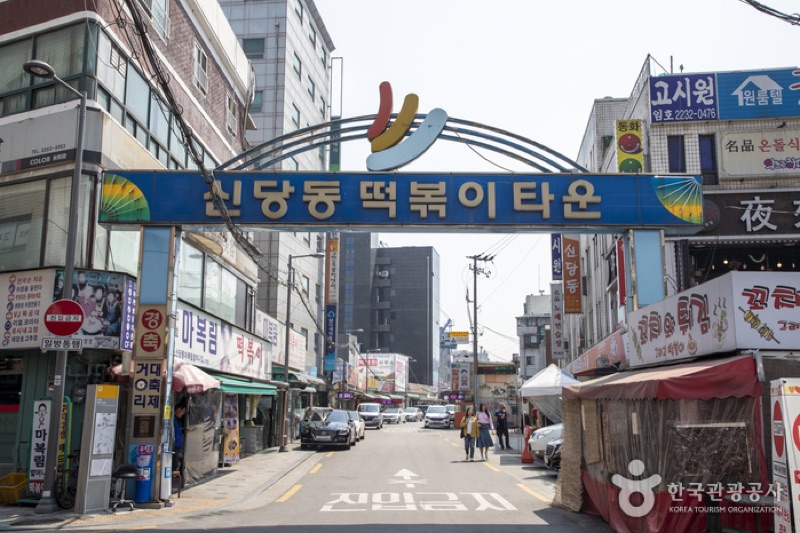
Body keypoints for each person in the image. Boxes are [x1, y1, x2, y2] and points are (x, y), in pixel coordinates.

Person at [173, 401, 187, 484]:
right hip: (173, 446)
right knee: (174, 464)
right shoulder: (172, 420)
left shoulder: (178, 421)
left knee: (177, 462)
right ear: (178, 409)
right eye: (183, 411)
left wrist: (183, 431)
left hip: (177, 445)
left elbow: (177, 431)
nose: (183, 413)